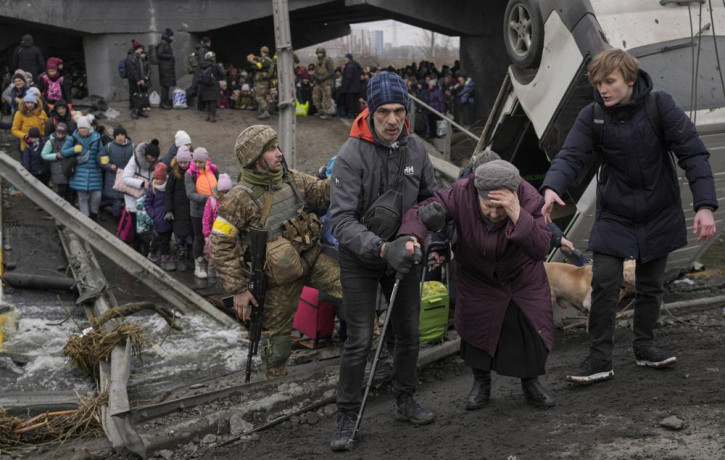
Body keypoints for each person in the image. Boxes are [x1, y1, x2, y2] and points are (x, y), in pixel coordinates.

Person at [540, 49, 718, 385]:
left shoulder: (660, 105)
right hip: (616, 213)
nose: (602, 89)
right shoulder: (592, 115)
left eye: (609, 82)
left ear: (630, 80)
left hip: (659, 209)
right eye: (598, 83)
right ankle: (599, 359)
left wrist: (705, 205)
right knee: (605, 281)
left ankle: (645, 346)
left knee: (650, 285)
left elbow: (693, 153)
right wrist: (552, 187)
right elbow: (572, 155)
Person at [328, 71, 438, 451]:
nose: (393, 120)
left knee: (409, 333)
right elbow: (340, 221)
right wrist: (380, 248)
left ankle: (405, 399)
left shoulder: (417, 148)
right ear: (370, 112)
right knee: (358, 339)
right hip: (361, 257)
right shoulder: (350, 155)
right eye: (384, 112)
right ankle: (346, 415)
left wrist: (422, 232)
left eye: (399, 110)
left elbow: (431, 198)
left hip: (404, 254)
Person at [401, 159, 556, 412]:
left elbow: (541, 247)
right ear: (477, 195)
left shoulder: (528, 197)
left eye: (500, 209)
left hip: (520, 276)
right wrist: (411, 236)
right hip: (476, 275)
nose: (494, 215)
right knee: (476, 331)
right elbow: (420, 211)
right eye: (488, 207)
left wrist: (518, 213)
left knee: (529, 330)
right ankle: (481, 382)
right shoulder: (462, 193)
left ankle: (531, 382)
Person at [210, 125, 341, 379]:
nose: (279, 153)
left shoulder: (291, 179)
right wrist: (238, 289)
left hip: (312, 259)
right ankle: (274, 385)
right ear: (255, 158)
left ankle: (373, 357)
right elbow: (220, 245)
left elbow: (321, 192)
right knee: (279, 345)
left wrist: (345, 174)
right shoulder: (238, 198)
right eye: (271, 149)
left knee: (357, 292)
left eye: (277, 147)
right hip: (278, 279)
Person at [185, 147, 218, 278]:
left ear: (206, 160)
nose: (198, 164)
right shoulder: (190, 174)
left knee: (215, 237)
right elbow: (190, 194)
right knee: (198, 237)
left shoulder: (214, 170)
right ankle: (199, 264)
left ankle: (214, 265)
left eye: (201, 161)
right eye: (196, 161)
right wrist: (209, 199)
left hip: (214, 211)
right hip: (198, 212)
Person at [61, 116, 103, 219]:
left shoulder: (97, 138)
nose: (83, 130)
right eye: (81, 128)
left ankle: (93, 215)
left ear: (89, 128)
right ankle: (86, 218)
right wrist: (74, 149)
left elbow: (102, 152)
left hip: (94, 171)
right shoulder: (73, 138)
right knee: (82, 197)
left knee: (97, 196)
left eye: (85, 128)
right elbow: (63, 152)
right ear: (78, 128)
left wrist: (104, 159)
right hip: (79, 171)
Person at [165, 145, 194, 271]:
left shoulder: (194, 173)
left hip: (191, 207)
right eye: (181, 162)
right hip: (178, 209)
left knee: (192, 234)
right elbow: (169, 192)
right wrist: (169, 209)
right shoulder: (174, 174)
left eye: (185, 162)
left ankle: (191, 256)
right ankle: (180, 258)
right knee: (180, 236)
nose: (183, 164)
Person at [145, 162, 175, 270]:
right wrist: (154, 214)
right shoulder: (152, 191)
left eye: (160, 179)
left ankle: (155, 253)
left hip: (168, 218)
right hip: (159, 219)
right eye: (155, 178)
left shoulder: (168, 188)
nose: (157, 181)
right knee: (163, 239)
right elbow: (147, 204)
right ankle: (164, 256)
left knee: (164, 238)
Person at [99, 125, 134, 219]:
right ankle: (117, 218)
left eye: (122, 135)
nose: (120, 137)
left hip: (126, 178)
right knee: (115, 199)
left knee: (121, 199)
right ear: (114, 136)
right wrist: (109, 166)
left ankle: (119, 218)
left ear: (125, 136)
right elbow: (100, 158)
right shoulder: (109, 146)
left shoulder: (132, 147)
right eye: (117, 135)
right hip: (112, 178)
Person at [202, 172, 232, 278]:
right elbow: (206, 219)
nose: (224, 194)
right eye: (223, 192)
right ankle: (211, 273)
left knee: (225, 255)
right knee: (213, 256)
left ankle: (222, 273)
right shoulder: (212, 201)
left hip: (228, 233)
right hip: (214, 234)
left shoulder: (233, 201)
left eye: (227, 192)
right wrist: (206, 235)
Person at [41, 122, 74, 202]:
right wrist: (55, 156)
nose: (60, 135)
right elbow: (44, 155)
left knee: (70, 191)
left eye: (62, 133)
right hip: (57, 169)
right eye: (58, 133)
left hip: (68, 169)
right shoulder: (51, 142)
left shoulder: (69, 141)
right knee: (61, 190)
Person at [247, 46, 273, 120]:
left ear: (262, 52)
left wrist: (252, 61)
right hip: (264, 81)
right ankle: (262, 112)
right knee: (262, 96)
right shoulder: (267, 59)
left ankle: (265, 111)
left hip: (263, 81)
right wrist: (256, 59)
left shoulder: (266, 60)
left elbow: (258, 66)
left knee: (259, 97)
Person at [125, 40, 149, 119]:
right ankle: (134, 111)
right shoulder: (130, 58)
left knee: (140, 95)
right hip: (133, 80)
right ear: (136, 49)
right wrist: (138, 80)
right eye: (140, 49)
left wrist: (142, 79)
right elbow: (132, 70)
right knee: (134, 96)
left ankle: (140, 110)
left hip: (140, 80)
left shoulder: (139, 57)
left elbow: (142, 69)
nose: (142, 50)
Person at [312, 47, 335, 119]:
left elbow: (331, 71)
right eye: (318, 53)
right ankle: (320, 110)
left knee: (326, 97)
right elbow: (315, 71)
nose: (319, 54)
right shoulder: (317, 61)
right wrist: (316, 77)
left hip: (326, 82)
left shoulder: (328, 60)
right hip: (318, 82)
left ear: (323, 53)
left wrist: (323, 77)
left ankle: (328, 113)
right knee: (315, 96)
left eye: (320, 53)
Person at [156, 28, 176, 110]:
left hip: (167, 68)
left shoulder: (166, 43)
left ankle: (165, 102)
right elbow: (159, 54)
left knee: (167, 86)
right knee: (165, 86)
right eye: (172, 36)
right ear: (168, 36)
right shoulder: (163, 43)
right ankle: (163, 103)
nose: (173, 38)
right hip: (164, 69)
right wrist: (170, 56)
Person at [198, 52, 221, 123]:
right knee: (213, 102)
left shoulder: (202, 65)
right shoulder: (215, 65)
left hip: (205, 85)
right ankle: (213, 117)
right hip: (213, 85)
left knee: (207, 101)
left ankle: (207, 116)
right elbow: (222, 73)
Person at [341, 53, 363, 118]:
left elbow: (348, 77)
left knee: (350, 102)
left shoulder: (349, 66)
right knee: (356, 102)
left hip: (350, 88)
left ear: (348, 58)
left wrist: (345, 87)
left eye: (345, 58)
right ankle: (357, 114)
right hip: (357, 87)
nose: (344, 59)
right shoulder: (356, 66)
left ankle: (351, 114)